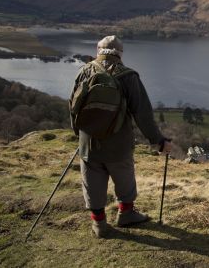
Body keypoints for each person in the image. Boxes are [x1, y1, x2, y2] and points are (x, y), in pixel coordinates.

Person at [70, 35, 171, 238]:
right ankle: (126, 214)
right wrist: (158, 141)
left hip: (88, 142)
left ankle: (99, 225)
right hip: (119, 142)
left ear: (98, 50)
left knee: (92, 182)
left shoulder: (84, 71)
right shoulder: (128, 76)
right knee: (124, 178)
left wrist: (80, 134)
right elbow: (142, 114)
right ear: (120, 53)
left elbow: (73, 107)